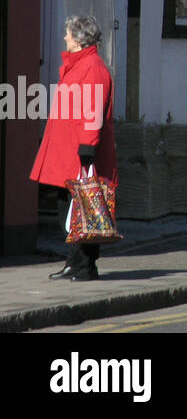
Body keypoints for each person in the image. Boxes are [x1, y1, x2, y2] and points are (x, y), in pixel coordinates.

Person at [30, 14, 116, 282]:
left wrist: (87, 146)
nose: (65, 37)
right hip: (67, 151)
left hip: (79, 153)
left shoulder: (92, 67)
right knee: (67, 209)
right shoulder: (80, 65)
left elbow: (93, 110)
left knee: (84, 209)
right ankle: (74, 262)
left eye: (68, 33)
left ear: (79, 38)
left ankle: (85, 265)